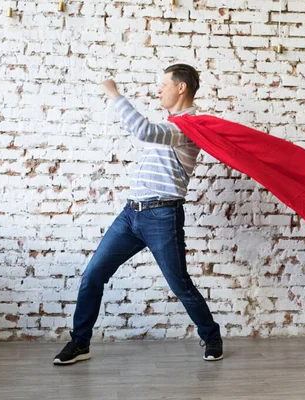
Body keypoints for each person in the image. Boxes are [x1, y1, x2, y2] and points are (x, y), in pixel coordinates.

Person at [53, 64, 223, 365]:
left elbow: (143, 129)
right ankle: (80, 343)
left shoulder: (187, 127)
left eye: (164, 84)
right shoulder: (172, 125)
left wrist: (113, 92)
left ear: (180, 88)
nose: (159, 90)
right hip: (131, 214)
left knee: (179, 284)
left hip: (162, 217)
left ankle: (212, 337)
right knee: (93, 274)